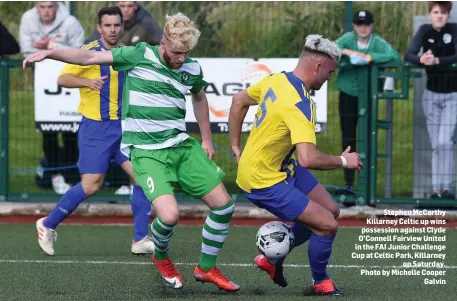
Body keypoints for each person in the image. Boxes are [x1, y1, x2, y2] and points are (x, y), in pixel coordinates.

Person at [23, 12, 239, 293]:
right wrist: (50, 54)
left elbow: (199, 96)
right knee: (162, 213)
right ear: (163, 43)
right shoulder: (139, 54)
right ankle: (159, 255)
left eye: (186, 53)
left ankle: (203, 266)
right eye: (176, 52)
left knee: (224, 206)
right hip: (141, 148)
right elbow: (87, 59)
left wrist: (207, 140)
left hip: (179, 146)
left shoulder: (192, 68)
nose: (181, 59)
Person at [229, 35, 363, 296]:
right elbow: (308, 158)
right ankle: (320, 282)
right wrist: (344, 160)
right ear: (317, 67)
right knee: (327, 225)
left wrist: (236, 145)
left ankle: (271, 259)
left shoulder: (277, 79)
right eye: (330, 72)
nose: (329, 78)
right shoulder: (301, 103)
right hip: (263, 180)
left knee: (330, 210)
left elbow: (238, 101)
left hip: (281, 167)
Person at [33, 6, 154, 257]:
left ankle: (140, 238)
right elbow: (63, 79)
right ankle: (48, 224)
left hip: (124, 128)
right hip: (96, 128)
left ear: (122, 27)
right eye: (107, 25)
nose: (112, 30)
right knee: (91, 185)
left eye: (116, 25)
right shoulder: (88, 53)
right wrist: (87, 82)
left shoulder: (127, 53)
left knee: (143, 178)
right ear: (99, 28)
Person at [19, 1, 86, 194]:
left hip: (69, 81)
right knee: (48, 131)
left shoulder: (71, 22)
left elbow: (79, 50)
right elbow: (26, 50)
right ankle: (55, 174)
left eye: (50, 6)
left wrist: (50, 46)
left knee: (70, 131)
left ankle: (73, 176)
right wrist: (56, 53)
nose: (46, 10)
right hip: (44, 84)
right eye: (42, 6)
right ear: (36, 7)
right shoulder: (27, 19)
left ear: (57, 6)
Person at [334, 10, 401, 196]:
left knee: (368, 139)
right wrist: (348, 52)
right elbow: (329, 48)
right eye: (359, 24)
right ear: (354, 26)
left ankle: (367, 190)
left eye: (367, 24)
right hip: (348, 94)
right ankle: (349, 186)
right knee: (348, 138)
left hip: (369, 96)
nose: (363, 28)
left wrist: (370, 58)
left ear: (372, 25)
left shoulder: (377, 42)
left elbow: (395, 56)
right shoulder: (347, 39)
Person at [405, 1, 457, 199]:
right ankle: (437, 190)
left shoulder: (454, 30)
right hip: (431, 95)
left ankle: (447, 188)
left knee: (445, 141)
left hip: (452, 95)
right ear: (430, 15)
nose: (440, 16)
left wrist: (437, 61)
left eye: (443, 13)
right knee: (436, 144)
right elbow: (408, 54)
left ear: (448, 16)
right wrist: (421, 59)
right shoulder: (425, 30)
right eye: (436, 12)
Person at [85, 1, 162, 46]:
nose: (126, 9)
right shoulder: (107, 20)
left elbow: (162, 45)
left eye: (129, 6)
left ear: (136, 6)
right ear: (116, 4)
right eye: (122, 6)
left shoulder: (147, 23)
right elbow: (89, 44)